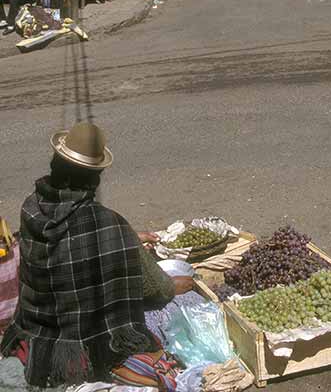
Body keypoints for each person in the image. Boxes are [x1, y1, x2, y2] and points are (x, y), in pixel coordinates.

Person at [0, 122, 193, 388]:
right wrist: (172, 286)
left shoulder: (32, 209)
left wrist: (129, 238)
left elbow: (68, 243)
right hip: (84, 346)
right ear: (95, 176)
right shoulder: (108, 224)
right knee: (181, 301)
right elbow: (156, 289)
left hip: (36, 334)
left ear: (55, 163)